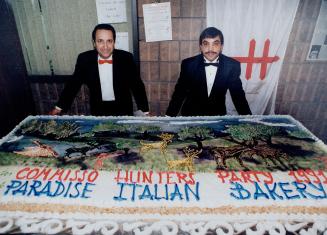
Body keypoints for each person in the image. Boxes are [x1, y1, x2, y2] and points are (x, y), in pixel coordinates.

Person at [49, 24, 149, 116]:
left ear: (114, 42)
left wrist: (145, 112)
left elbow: (137, 86)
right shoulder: (84, 59)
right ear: (94, 43)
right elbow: (73, 85)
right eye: (100, 41)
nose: (105, 46)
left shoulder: (126, 58)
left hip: (123, 108)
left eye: (109, 41)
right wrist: (58, 108)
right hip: (98, 109)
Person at [166, 27, 251, 116]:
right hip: (190, 116)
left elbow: (238, 97)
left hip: (217, 117)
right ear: (201, 47)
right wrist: (167, 120)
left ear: (221, 47)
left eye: (215, 44)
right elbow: (179, 94)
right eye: (206, 44)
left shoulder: (232, 66)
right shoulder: (188, 64)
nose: (210, 49)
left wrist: (249, 122)